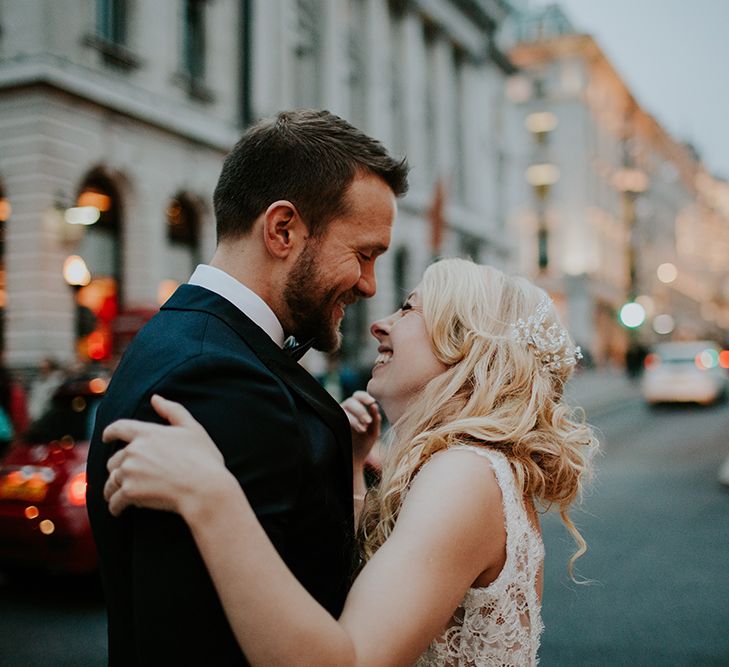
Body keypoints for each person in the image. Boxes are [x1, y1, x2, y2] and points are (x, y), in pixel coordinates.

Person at [103, 258, 598, 667]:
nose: (381, 323)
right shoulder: (477, 468)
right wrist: (354, 469)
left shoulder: (466, 475)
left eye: (409, 309)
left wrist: (211, 496)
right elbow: (381, 588)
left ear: (462, 344)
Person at [85, 109, 409, 666]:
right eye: (363, 254)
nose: (369, 284)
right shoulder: (214, 379)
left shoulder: (193, 338)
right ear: (282, 230)